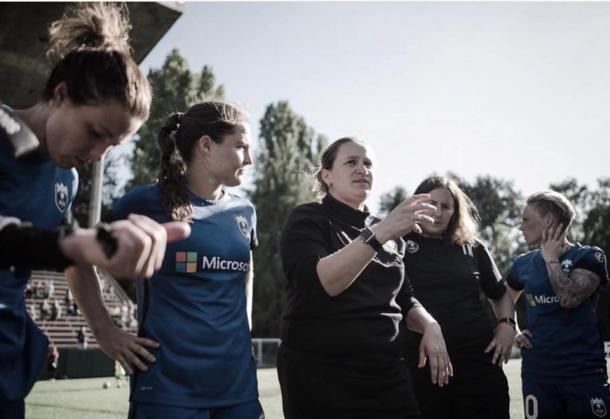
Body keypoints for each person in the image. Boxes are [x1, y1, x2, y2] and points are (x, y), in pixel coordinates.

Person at [0, 4, 190, 418]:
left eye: (112, 146)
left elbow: (73, 258)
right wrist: (75, 242)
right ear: (62, 95)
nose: (96, 154)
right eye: (95, 133)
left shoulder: (63, 181)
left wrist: (104, 329)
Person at [98, 101, 262, 419]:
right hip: (168, 390)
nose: (250, 159)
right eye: (241, 147)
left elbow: (247, 270)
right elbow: (78, 257)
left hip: (237, 385)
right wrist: (106, 332)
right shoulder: (144, 203)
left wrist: (247, 323)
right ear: (205, 146)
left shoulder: (245, 212)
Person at [277, 137, 452, 419]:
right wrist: (381, 234)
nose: (363, 169)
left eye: (368, 163)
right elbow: (319, 284)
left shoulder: (388, 230)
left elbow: (404, 298)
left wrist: (430, 324)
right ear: (327, 176)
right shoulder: (308, 218)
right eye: (351, 162)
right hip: (320, 377)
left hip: (386, 373)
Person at [400, 175, 514, 419]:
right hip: (422, 367)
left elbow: (500, 294)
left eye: (446, 206)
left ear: (455, 211)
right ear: (417, 203)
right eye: (432, 204)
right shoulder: (398, 245)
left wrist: (506, 325)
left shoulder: (472, 246)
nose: (438, 212)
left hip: (478, 364)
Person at [507, 190, 610, 419]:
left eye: (525, 220)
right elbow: (506, 297)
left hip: (583, 373)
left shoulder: (590, 256)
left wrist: (551, 258)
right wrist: (511, 328)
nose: (520, 227)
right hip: (538, 374)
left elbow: (569, 298)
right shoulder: (522, 264)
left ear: (548, 221)